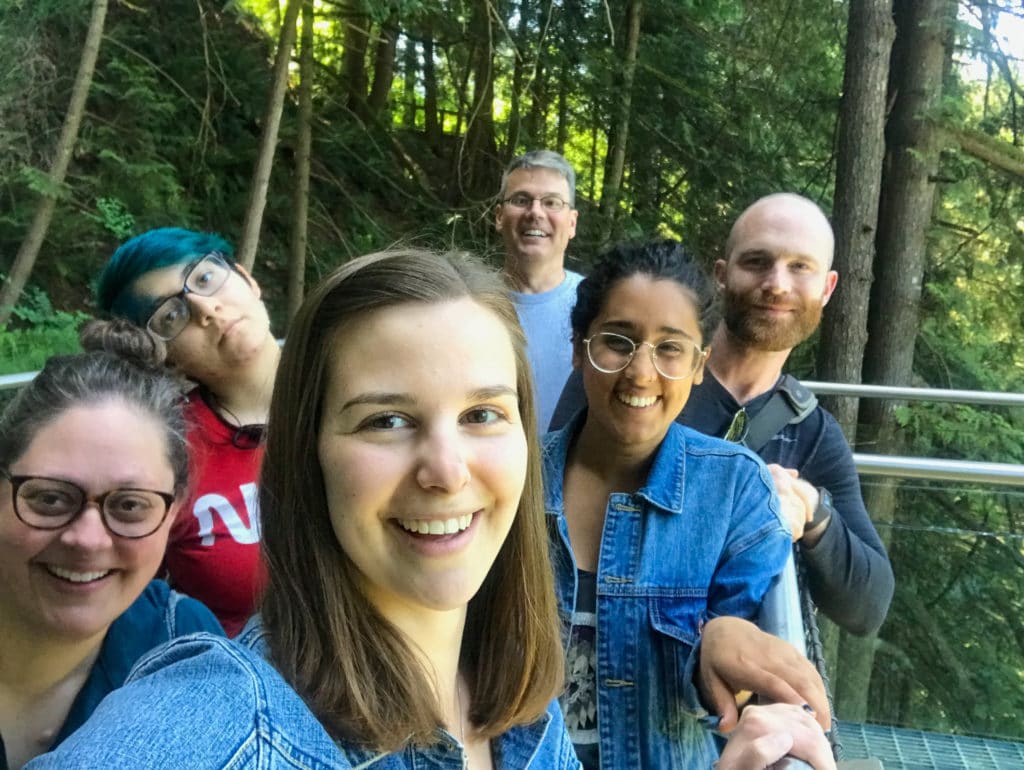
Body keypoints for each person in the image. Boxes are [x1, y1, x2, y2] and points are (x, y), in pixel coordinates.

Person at [29, 250, 577, 769]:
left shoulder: (524, 706)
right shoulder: (229, 719)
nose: (449, 471)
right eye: (385, 420)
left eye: (482, 414)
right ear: (306, 454)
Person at [551, 205, 894, 635]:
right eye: (757, 262)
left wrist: (811, 510)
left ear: (827, 288)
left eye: (799, 267)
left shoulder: (810, 433)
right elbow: (550, 505)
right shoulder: (618, 380)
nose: (776, 284)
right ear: (722, 273)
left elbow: (869, 605)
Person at [544, 241, 795, 768]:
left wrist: (719, 648)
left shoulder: (733, 491)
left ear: (700, 364)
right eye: (618, 341)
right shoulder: (511, 476)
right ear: (577, 346)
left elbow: (736, 691)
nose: (641, 371)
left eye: (670, 348)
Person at [0, 320, 222, 769]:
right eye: (49, 498)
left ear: (173, 512)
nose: (86, 539)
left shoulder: (187, 651)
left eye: (129, 506)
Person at [95, 228, 280, 635]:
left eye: (205, 277)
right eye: (170, 316)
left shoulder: (357, 393)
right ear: (163, 356)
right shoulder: (165, 454)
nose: (204, 309)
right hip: (248, 683)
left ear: (248, 279)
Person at [496, 150, 582, 432]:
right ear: (499, 217)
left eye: (551, 202)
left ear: (572, 223)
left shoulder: (598, 305)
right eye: (521, 200)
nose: (535, 212)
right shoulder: (473, 302)